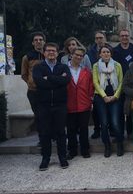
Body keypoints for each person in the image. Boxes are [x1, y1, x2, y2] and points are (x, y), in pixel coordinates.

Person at [32, 42, 71, 171]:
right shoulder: (38, 67)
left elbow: (66, 81)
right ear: (44, 53)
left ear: (57, 52)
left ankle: (62, 157)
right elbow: (40, 83)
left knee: (61, 132)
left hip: (60, 105)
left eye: (53, 51)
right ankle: (45, 158)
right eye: (48, 51)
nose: (51, 53)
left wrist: (48, 77)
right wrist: (57, 80)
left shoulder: (63, 67)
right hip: (43, 105)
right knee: (45, 133)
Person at [92, 44, 124, 157]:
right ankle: (107, 146)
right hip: (101, 98)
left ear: (111, 54)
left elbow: (121, 82)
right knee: (104, 123)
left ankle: (120, 144)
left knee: (115, 123)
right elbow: (95, 82)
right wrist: (104, 96)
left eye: (108, 52)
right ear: (100, 54)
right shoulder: (96, 66)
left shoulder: (117, 65)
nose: (106, 54)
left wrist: (115, 96)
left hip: (115, 97)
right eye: (104, 52)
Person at [66, 46, 94, 159]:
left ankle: (85, 150)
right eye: (76, 54)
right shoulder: (64, 69)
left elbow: (90, 87)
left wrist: (90, 99)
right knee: (71, 129)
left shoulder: (86, 71)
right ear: (71, 55)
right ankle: (72, 150)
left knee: (84, 128)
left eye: (81, 56)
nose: (78, 57)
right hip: (69, 103)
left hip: (84, 104)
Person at [21, 32, 45, 146]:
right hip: (34, 92)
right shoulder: (27, 57)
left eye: (40, 39)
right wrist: (31, 83)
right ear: (32, 42)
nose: (38, 41)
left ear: (44, 42)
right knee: (39, 116)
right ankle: (42, 138)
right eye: (36, 40)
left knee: (50, 114)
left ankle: (53, 135)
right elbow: (24, 74)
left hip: (48, 90)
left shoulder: (49, 54)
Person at [113, 29, 133, 138]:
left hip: (132, 84)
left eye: (126, 35)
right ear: (119, 37)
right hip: (118, 85)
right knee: (119, 112)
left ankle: (131, 133)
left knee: (131, 110)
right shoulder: (115, 51)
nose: (124, 37)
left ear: (129, 36)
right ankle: (120, 134)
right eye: (122, 36)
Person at [87, 31, 107, 139]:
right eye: (97, 38)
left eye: (101, 37)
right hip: (95, 84)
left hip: (108, 85)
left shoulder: (109, 50)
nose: (99, 40)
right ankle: (97, 129)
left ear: (105, 39)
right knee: (96, 110)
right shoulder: (90, 52)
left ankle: (110, 129)